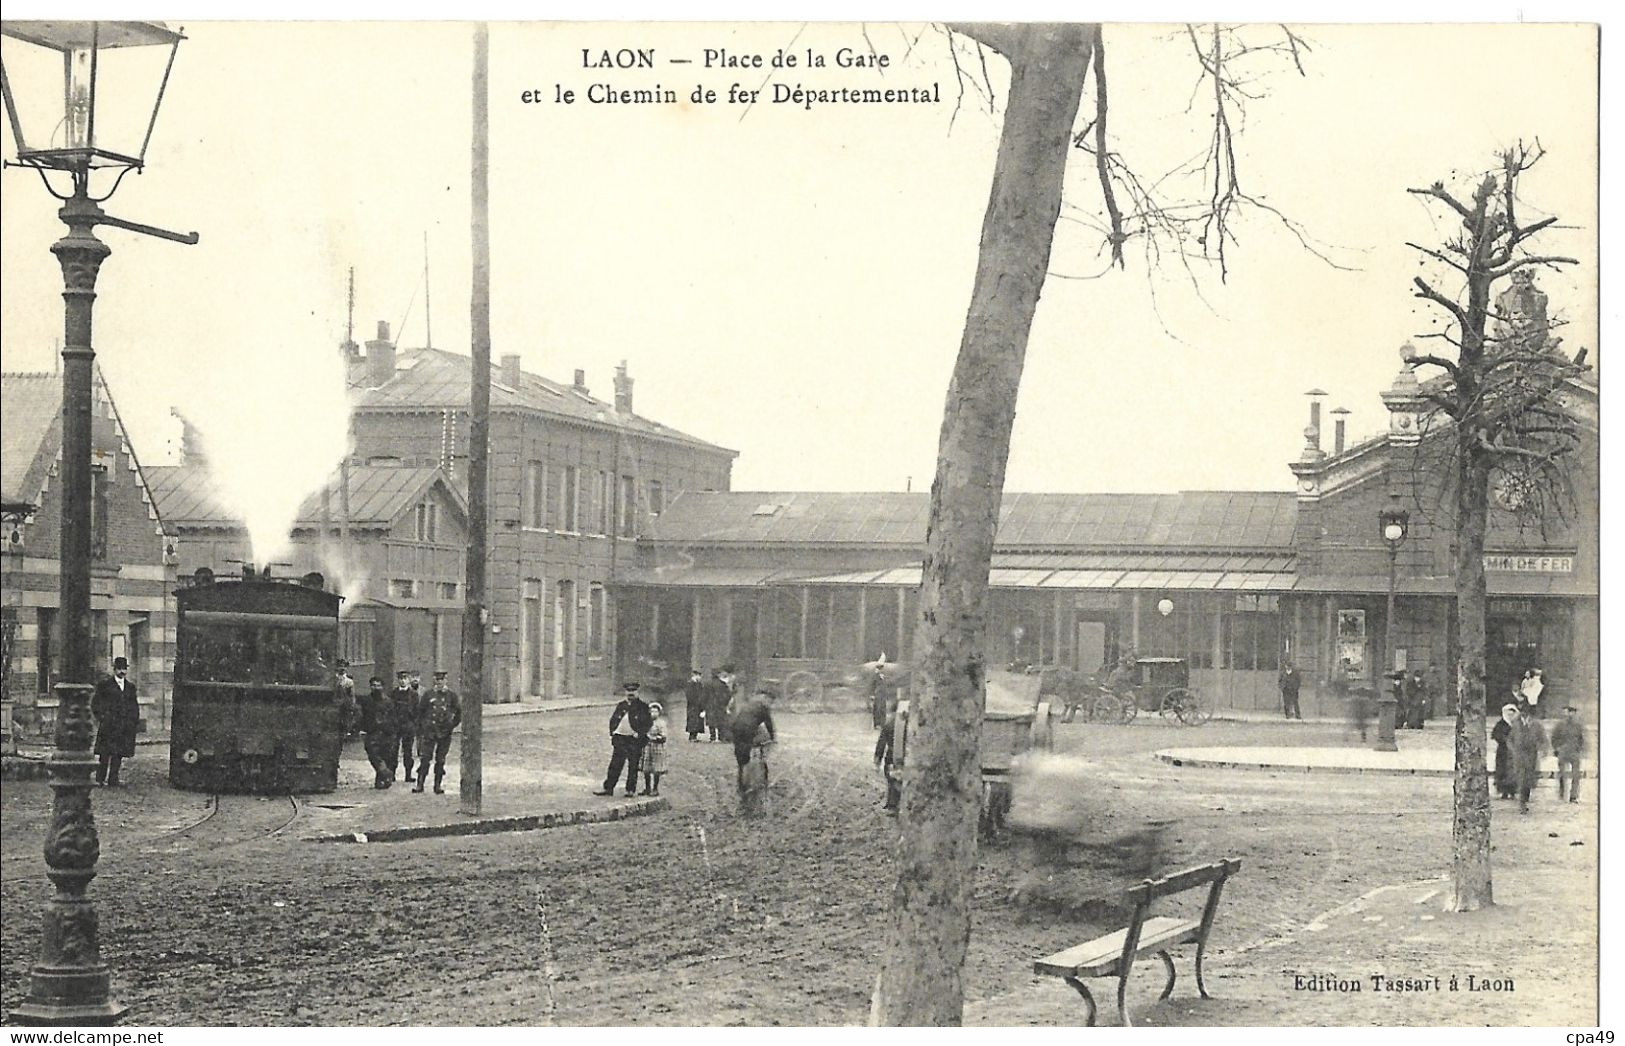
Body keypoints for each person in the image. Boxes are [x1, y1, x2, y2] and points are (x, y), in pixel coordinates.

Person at [596, 682, 652, 797]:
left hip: (634, 740)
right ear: (625, 692)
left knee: (633, 765)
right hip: (620, 738)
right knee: (615, 764)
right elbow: (613, 720)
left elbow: (648, 723)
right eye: (628, 691)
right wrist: (613, 733)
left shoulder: (643, 706)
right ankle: (609, 788)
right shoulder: (621, 705)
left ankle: (630, 790)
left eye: (633, 691)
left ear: (637, 692)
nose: (630, 693)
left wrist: (639, 734)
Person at [92, 656, 139, 786]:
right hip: (109, 725)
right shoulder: (105, 686)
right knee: (105, 754)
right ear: (114, 669)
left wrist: (133, 721)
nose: (122, 672)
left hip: (123, 726)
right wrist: (102, 717)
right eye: (119, 669)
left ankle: (114, 779)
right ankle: (100, 779)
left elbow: (134, 706)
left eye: (124, 669)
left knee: (118, 754)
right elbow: (96, 704)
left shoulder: (130, 687)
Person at [413, 670, 463, 794]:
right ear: (434, 680)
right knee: (425, 758)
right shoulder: (428, 695)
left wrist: (451, 725)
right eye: (437, 679)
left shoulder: (451, 695)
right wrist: (422, 727)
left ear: (446, 680)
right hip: (429, 732)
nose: (439, 682)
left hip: (444, 733)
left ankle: (437, 785)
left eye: (442, 679)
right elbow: (420, 712)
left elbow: (458, 713)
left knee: (440, 760)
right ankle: (420, 784)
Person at [728, 688, 777, 794]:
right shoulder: (763, 707)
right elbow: (769, 724)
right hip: (748, 730)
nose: (770, 704)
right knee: (750, 756)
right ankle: (751, 783)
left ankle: (741, 782)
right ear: (766, 698)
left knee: (741, 756)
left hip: (736, 728)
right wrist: (773, 738)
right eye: (770, 701)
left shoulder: (749, 703)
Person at [1509, 706, 1549, 814]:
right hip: (1519, 756)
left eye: (1525, 712)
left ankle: (1525, 798)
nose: (1523, 714)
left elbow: (1543, 739)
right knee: (1521, 778)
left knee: (1528, 779)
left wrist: (1543, 750)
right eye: (1522, 711)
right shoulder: (1516, 725)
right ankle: (1522, 804)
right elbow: (1510, 739)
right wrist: (1513, 750)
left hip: (1531, 755)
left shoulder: (1536, 725)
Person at [358, 676, 396, 788]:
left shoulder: (388, 701)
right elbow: (362, 715)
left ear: (382, 687)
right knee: (373, 755)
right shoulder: (366, 701)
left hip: (385, 732)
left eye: (378, 685)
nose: (376, 688)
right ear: (370, 687)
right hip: (371, 732)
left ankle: (380, 781)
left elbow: (393, 717)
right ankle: (385, 773)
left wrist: (392, 731)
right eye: (374, 685)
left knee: (384, 755)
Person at [1549, 705, 1586, 804]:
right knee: (1562, 774)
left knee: (1576, 775)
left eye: (1572, 712)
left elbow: (1581, 739)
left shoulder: (1578, 726)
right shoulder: (1560, 725)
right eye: (1568, 712)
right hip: (1563, 752)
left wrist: (1579, 749)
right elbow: (1554, 738)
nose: (1570, 714)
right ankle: (1562, 793)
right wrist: (1557, 748)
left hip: (1574, 752)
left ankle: (1573, 796)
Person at [389, 670, 420, 784]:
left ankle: (408, 774)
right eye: (400, 678)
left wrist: (414, 724)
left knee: (408, 751)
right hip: (396, 726)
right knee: (393, 750)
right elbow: (390, 709)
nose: (402, 680)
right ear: (398, 680)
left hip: (408, 726)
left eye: (405, 678)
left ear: (408, 680)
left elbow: (417, 711)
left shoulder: (414, 694)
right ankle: (392, 774)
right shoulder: (393, 693)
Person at [874, 698, 901, 813]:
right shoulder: (907, 721)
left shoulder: (889, 723)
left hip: (891, 754)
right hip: (904, 754)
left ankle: (892, 804)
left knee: (891, 778)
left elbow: (881, 743)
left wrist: (877, 759)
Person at [1490, 703, 1518, 800]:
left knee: (1514, 771)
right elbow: (1495, 735)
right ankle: (1504, 791)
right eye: (1508, 713)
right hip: (1503, 751)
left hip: (1515, 751)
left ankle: (1513, 791)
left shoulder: (1517, 724)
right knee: (1502, 770)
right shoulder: (1500, 724)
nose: (1510, 715)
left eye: (1512, 713)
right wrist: (1504, 740)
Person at [640, 701, 669, 796]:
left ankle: (655, 788)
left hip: (657, 748)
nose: (653, 713)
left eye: (656, 711)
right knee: (646, 769)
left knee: (656, 769)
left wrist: (653, 738)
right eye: (652, 711)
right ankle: (647, 788)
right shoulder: (645, 722)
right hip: (647, 747)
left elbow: (664, 737)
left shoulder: (661, 723)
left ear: (659, 713)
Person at [704, 669, 731, 742]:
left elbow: (704, 696)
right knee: (720, 722)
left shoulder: (707, 684)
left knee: (711, 722)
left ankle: (712, 737)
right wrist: (725, 703)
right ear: (718, 675)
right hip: (720, 705)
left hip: (710, 706)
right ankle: (721, 737)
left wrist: (704, 705)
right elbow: (728, 695)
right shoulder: (722, 684)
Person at [683, 669, 706, 741]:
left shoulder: (699, 684)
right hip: (693, 706)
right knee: (693, 720)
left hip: (699, 706)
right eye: (698, 676)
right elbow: (689, 696)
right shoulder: (690, 684)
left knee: (697, 721)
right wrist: (696, 701)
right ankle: (692, 736)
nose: (700, 678)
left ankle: (694, 736)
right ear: (695, 676)